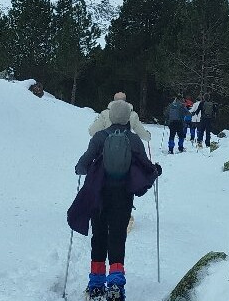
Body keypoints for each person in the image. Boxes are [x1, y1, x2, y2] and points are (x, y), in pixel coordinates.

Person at [68, 99, 161, 300]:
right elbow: (146, 166)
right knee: (117, 237)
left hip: (99, 195)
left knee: (99, 237)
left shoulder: (100, 137)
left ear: (110, 116)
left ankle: (96, 285)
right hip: (123, 196)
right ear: (127, 118)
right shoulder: (133, 139)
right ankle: (116, 286)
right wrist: (156, 171)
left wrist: (81, 169)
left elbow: (83, 165)